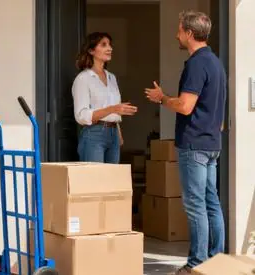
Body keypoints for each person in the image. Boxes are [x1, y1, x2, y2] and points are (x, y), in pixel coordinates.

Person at [143, 11, 225, 274]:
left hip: (194, 145)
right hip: (212, 144)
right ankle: (215, 260)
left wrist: (162, 98)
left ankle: (196, 265)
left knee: (195, 205)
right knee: (212, 202)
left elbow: (186, 106)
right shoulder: (215, 62)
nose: (176, 34)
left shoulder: (196, 64)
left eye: (179, 30)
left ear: (189, 33)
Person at [71, 32, 137, 163]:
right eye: (104, 45)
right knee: (94, 180)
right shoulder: (83, 79)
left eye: (110, 45)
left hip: (113, 135)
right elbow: (81, 115)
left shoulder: (112, 77)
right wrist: (112, 109)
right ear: (91, 50)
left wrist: (118, 134)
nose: (110, 48)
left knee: (111, 181)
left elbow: (115, 109)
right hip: (94, 134)